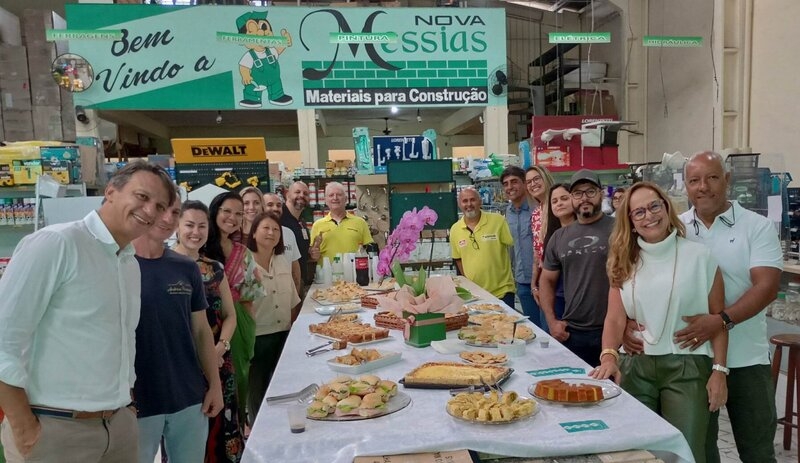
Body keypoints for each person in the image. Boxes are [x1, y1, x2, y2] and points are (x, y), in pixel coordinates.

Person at [0, 162, 175, 462]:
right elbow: (4, 338)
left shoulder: (129, 264)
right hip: (55, 427)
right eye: (142, 197)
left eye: (159, 206)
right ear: (110, 191)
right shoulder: (57, 244)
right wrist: (25, 428)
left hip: (117, 425)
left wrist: (126, 409)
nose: (150, 211)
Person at [626, 151, 783, 463]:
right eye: (694, 180)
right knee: (701, 451)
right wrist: (629, 322)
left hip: (745, 359)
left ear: (726, 180)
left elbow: (766, 287)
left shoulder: (756, 227)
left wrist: (721, 320)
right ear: (685, 186)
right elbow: (643, 278)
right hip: (691, 363)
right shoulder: (673, 228)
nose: (703, 187)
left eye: (712, 178)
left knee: (757, 451)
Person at [590, 182, 728, 462]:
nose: (648, 216)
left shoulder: (700, 256)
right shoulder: (623, 260)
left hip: (687, 367)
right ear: (629, 220)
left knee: (685, 451)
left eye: (654, 206)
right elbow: (615, 317)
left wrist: (719, 372)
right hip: (635, 364)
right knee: (634, 451)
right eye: (638, 212)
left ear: (666, 206)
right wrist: (609, 357)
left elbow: (718, 320)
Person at [132, 195, 223, 463]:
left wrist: (214, 385)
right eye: (161, 210)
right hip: (137, 400)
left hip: (188, 394)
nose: (167, 218)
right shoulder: (119, 264)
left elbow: (201, 331)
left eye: (173, 211)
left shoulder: (186, 268)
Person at [173, 200, 244, 462]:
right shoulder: (163, 265)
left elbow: (230, 315)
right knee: (185, 437)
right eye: (189, 225)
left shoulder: (213, 268)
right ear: (177, 226)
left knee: (223, 430)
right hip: (181, 365)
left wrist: (220, 347)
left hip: (219, 362)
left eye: (202, 226)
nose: (196, 232)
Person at [539, 169, 615, 366]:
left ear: (601, 193)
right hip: (573, 332)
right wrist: (552, 322)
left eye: (590, 191)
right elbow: (546, 280)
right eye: (578, 194)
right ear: (573, 198)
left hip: (614, 330)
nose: (584, 198)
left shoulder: (620, 229)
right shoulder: (559, 237)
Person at [204, 192, 265, 430]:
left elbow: (251, 296)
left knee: (238, 380)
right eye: (227, 211)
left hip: (238, 324)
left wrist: (247, 330)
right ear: (215, 211)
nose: (233, 218)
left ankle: (236, 436)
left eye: (239, 214)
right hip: (204, 321)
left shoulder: (243, 252)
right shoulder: (199, 247)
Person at [247, 212, 301, 422]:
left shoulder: (281, 261)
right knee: (257, 392)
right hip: (257, 338)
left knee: (284, 389)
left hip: (283, 336)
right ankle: (256, 431)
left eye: (276, 229)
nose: (271, 233)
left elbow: (292, 300)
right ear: (254, 232)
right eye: (266, 228)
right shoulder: (245, 262)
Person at [449, 188, 516, 308]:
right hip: (474, 296)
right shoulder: (455, 230)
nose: (469, 204)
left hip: (502, 292)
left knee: (506, 326)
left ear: (480, 202)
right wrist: (469, 285)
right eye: (465, 201)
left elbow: (513, 248)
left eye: (472, 200)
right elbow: (458, 259)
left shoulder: (498, 220)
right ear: (459, 204)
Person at [500, 166, 537, 324]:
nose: (510, 187)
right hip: (522, 282)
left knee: (550, 331)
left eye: (514, 182)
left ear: (524, 183)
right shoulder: (507, 212)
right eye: (506, 184)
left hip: (544, 280)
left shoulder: (537, 208)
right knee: (533, 327)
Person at [536, 183, 576, 326]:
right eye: (555, 201)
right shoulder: (552, 236)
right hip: (556, 300)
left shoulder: (586, 233)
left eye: (564, 198)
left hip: (581, 302)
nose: (559, 203)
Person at [310, 182, 373, 261]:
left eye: (339, 195)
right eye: (331, 195)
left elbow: (371, 251)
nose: (335, 198)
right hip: (327, 271)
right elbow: (313, 254)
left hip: (354, 271)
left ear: (346, 199)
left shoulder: (360, 222)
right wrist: (314, 254)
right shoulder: (317, 225)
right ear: (325, 200)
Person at [526, 165, 555, 327]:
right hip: (544, 280)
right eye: (528, 182)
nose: (533, 184)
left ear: (545, 178)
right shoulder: (536, 213)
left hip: (562, 280)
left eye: (536, 179)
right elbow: (537, 253)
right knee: (546, 328)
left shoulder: (558, 206)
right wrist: (533, 284)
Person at [280, 181, 321, 296]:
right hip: (285, 285)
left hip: (299, 282)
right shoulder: (280, 218)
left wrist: (311, 253)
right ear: (287, 195)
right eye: (297, 192)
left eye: (306, 193)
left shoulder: (301, 222)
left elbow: (298, 251)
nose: (302, 195)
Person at [263, 192, 302, 293]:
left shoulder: (289, 233)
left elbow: (295, 270)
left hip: (287, 295)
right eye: (270, 205)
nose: (275, 208)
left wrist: (295, 297)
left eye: (279, 205)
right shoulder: (256, 234)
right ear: (262, 207)